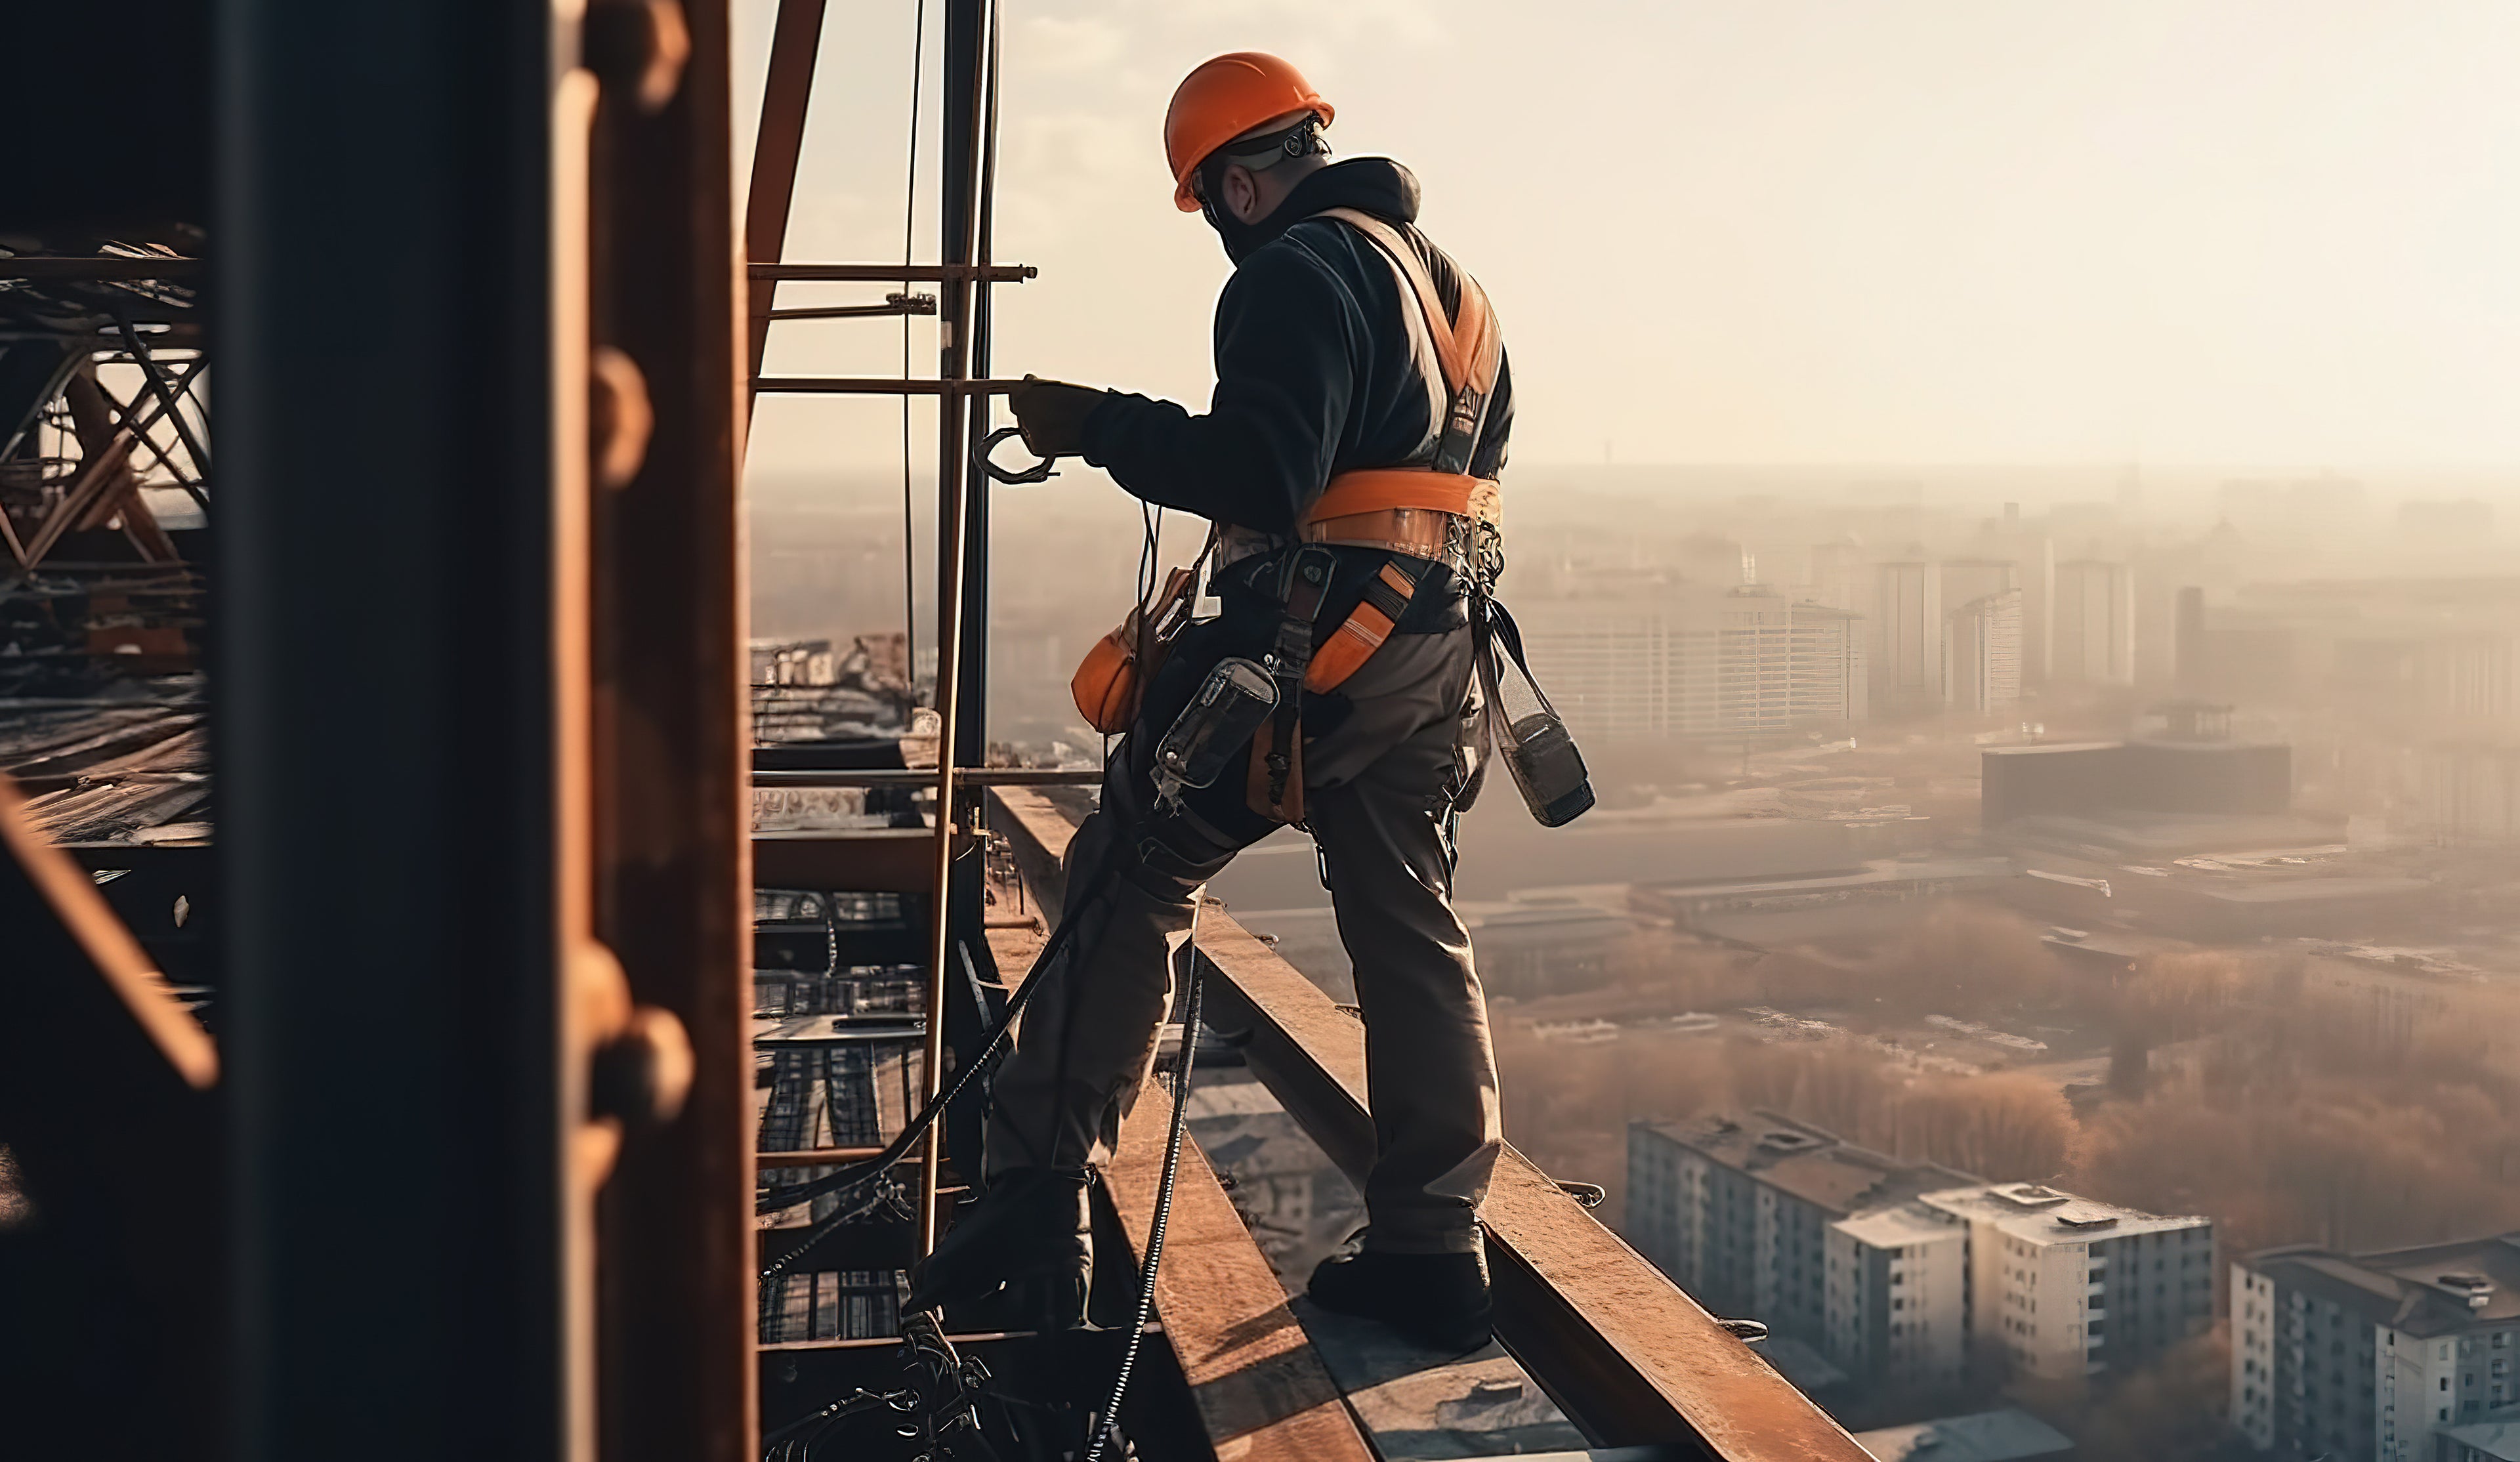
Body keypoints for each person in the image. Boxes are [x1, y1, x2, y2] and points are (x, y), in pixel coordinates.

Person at [908, 51, 1513, 1355]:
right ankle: (1435, 1247)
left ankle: (1033, 1193)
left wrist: (1100, 423)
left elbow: (1263, 472)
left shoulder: (1296, 276)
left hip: (1319, 651)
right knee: (1411, 926)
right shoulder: (1458, 294)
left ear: (1238, 185)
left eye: (1213, 206)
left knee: (1133, 868)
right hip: (1432, 655)